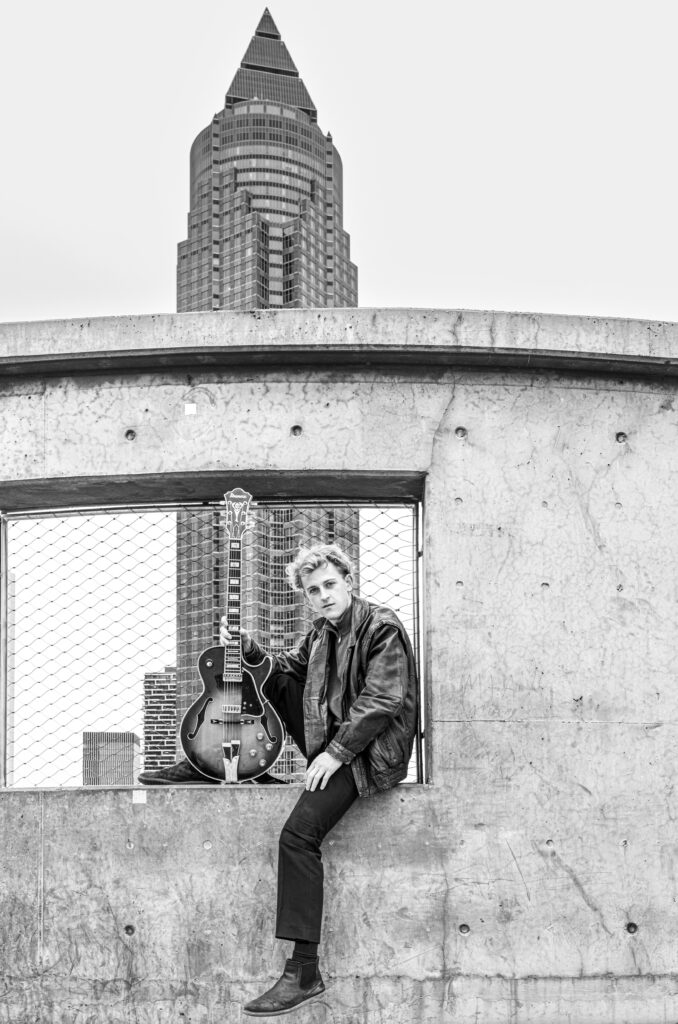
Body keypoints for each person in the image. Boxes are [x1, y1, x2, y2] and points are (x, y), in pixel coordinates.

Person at [141, 542, 418, 1016]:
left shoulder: (381, 626)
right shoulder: (320, 633)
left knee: (298, 837)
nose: (324, 596)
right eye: (314, 590)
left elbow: (383, 699)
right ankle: (214, 760)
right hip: (332, 742)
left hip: (366, 752)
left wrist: (336, 753)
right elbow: (283, 669)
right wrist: (248, 649)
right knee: (263, 674)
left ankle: (304, 971)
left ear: (349, 582)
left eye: (330, 585)